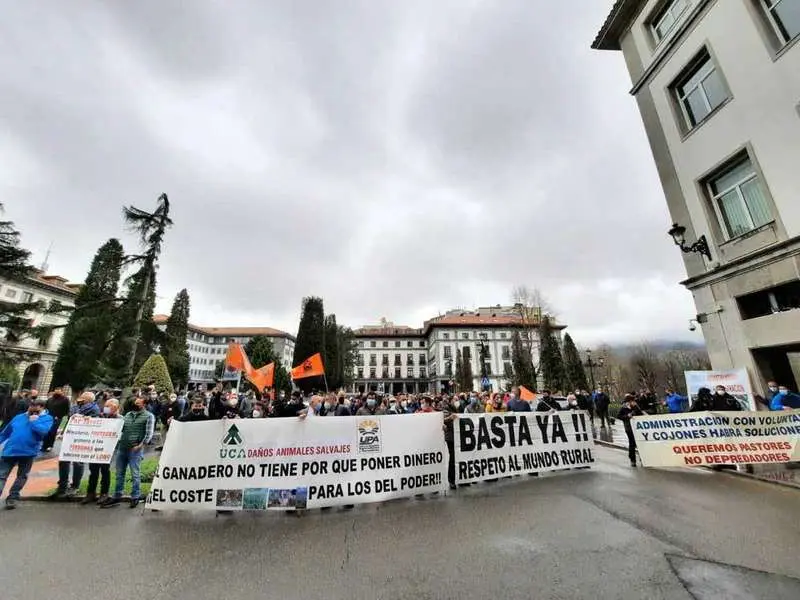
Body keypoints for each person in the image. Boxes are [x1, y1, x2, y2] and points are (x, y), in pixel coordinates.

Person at [100, 395, 154, 509]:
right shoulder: (128, 415)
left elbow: (149, 434)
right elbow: (121, 426)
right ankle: (117, 495)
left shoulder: (149, 416)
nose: (136, 404)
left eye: (139, 403)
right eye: (135, 402)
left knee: (135, 474)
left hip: (135, 450)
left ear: (144, 404)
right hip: (122, 447)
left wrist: (141, 445)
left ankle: (135, 496)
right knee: (119, 474)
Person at [0, 396, 54, 509]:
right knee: (2, 475)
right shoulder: (19, 417)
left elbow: (43, 432)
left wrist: (34, 421)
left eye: (35, 407)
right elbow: (6, 433)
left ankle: (13, 497)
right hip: (10, 450)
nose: (32, 409)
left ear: (42, 407)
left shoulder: (47, 418)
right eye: (31, 406)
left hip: (28, 452)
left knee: (22, 476)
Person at [52, 391, 101, 499]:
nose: (81, 398)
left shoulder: (94, 409)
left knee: (78, 462)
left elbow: (96, 422)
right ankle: (62, 485)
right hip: (70, 436)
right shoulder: (75, 406)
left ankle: (75, 485)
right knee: (64, 460)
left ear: (88, 399)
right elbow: (70, 417)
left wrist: (86, 419)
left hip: (82, 438)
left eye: (83, 397)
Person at [82, 399, 123, 505]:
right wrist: (87, 420)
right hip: (96, 448)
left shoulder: (120, 419)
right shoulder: (100, 416)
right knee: (93, 471)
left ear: (116, 408)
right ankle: (91, 493)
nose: (108, 408)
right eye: (107, 406)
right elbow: (92, 424)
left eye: (111, 407)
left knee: (105, 471)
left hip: (108, 449)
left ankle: (104, 493)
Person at [616, 394, 644, 467]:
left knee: (640, 443)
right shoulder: (623, 408)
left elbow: (640, 414)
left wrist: (635, 407)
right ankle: (632, 460)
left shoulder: (635, 406)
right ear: (628, 401)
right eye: (632, 401)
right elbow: (619, 416)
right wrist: (627, 416)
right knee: (632, 443)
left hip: (637, 427)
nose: (633, 402)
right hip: (629, 428)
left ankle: (642, 458)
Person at [42, 387, 70, 452]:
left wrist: (60, 416)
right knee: (47, 431)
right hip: (48, 417)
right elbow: (46, 407)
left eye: (58, 391)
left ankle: (50, 445)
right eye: (56, 391)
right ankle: (44, 445)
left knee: (52, 432)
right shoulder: (50, 399)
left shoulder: (65, 400)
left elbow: (66, 410)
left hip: (57, 418)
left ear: (61, 392)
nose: (57, 392)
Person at [442, 397, 458, 490]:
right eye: (455, 400)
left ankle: (461, 479)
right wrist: (450, 418)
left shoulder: (456, 408)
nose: (456, 401)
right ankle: (451, 480)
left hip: (458, 435)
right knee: (452, 458)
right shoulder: (446, 409)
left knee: (458, 457)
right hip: (450, 437)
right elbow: (442, 420)